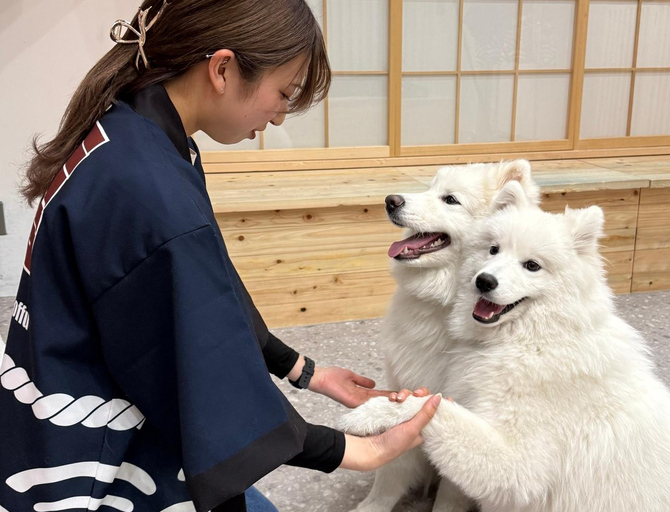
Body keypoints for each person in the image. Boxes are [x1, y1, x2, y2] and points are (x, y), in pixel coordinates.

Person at [0, 1, 440, 511]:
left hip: (55, 401)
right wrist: (358, 450)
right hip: (95, 455)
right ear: (223, 69)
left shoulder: (135, 132)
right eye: (283, 93)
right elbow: (210, 376)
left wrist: (303, 369)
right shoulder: (150, 191)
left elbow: (210, 288)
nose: (279, 115)